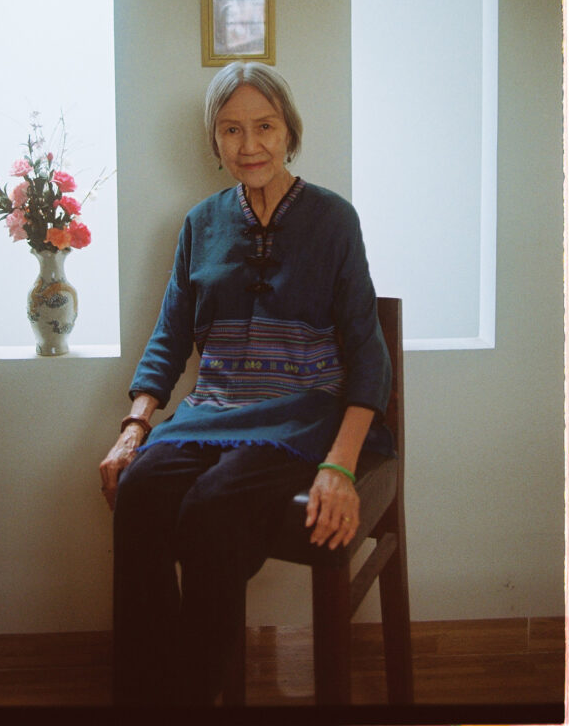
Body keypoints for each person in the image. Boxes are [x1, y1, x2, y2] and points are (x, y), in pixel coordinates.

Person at [99, 61, 393, 707]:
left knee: (211, 508)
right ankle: (148, 700)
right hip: (214, 410)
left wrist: (339, 467)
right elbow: (170, 335)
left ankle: (201, 699)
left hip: (303, 414)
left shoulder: (333, 219)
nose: (249, 144)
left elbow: (368, 350)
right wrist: (134, 427)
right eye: (231, 129)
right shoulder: (201, 223)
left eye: (265, 126)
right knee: (141, 488)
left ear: (290, 131)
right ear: (215, 140)